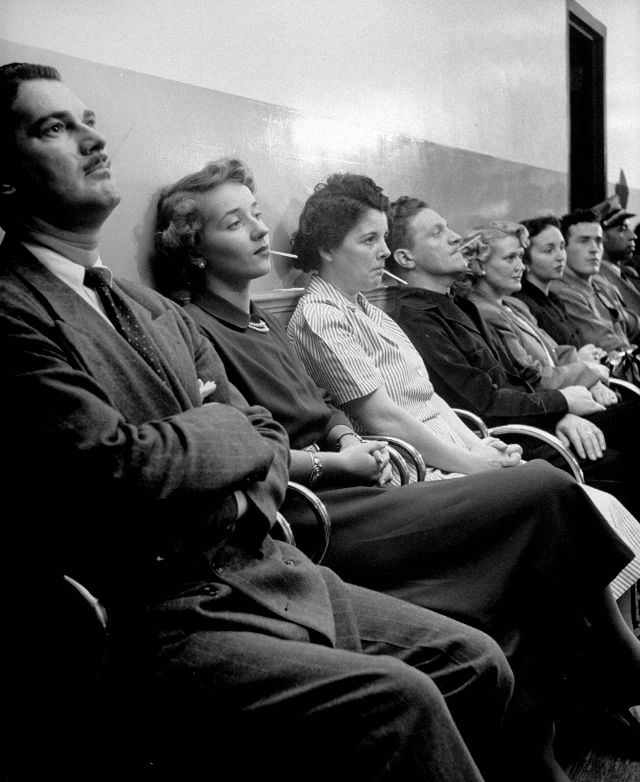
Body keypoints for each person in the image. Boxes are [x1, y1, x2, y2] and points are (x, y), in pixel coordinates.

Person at [0, 62, 524, 782]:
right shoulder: (13, 309)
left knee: (476, 663)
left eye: (89, 121)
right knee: (401, 702)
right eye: (53, 128)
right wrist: (235, 437)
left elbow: (265, 429)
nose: (92, 140)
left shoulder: (141, 306)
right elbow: (116, 467)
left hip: (261, 567)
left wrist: (236, 439)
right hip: (159, 614)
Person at [153, 160, 640, 780]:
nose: (255, 230)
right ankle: (618, 662)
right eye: (234, 222)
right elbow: (251, 443)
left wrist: (346, 435)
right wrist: (343, 453)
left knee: (531, 573)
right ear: (196, 253)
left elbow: (324, 408)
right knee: (546, 488)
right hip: (320, 510)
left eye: (256, 215)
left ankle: (545, 756)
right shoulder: (196, 327)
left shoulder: (262, 321)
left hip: (366, 475)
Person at [465, 220, 615, 402]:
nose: (520, 266)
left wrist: (593, 381)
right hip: (550, 405)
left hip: (571, 393)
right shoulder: (484, 311)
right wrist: (588, 372)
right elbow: (532, 375)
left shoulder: (515, 305)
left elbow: (556, 351)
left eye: (520, 256)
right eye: (510, 258)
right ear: (480, 266)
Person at [550, 209, 640, 353]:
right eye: (584, 241)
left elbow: (635, 326)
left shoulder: (603, 286)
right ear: (563, 248)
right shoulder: (562, 292)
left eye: (598, 241)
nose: (594, 249)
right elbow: (609, 346)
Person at [514, 214, 599, 349]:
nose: (560, 257)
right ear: (525, 261)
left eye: (562, 247)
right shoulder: (523, 305)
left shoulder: (554, 299)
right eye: (548, 250)